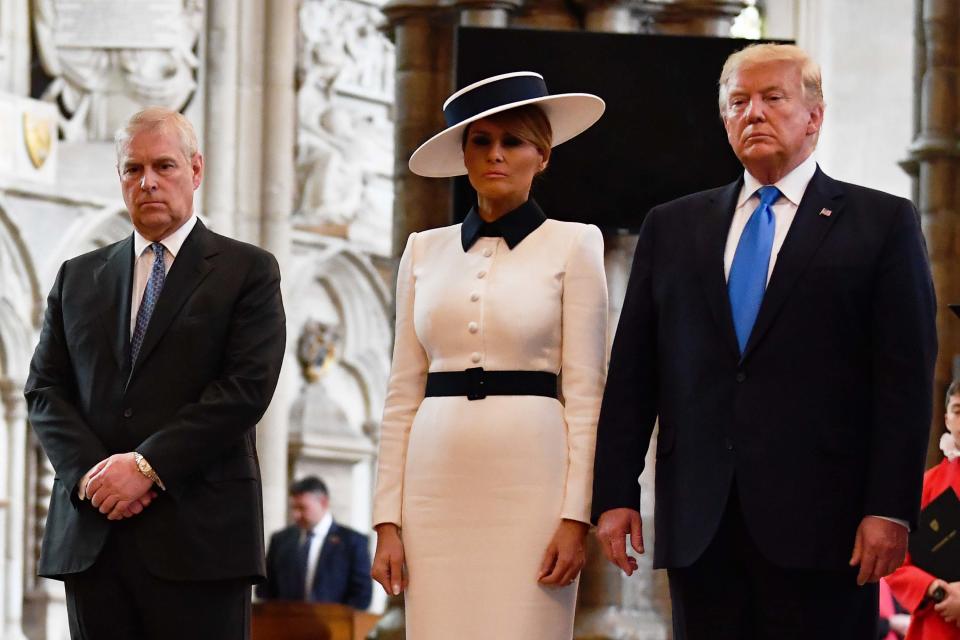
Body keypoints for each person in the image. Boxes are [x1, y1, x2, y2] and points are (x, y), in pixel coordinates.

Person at [592, 43, 937, 639]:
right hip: (702, 525)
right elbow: (633, 373)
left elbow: (904, 380)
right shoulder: (672, 227)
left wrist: (889, 508)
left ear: (814, 116)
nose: (753, 113)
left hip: (827, 528)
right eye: (738, 103)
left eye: (773, 98)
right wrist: (615, 492)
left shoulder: (881, 224)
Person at [24, 107, 286, 639]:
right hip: (96, 539)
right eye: (132, 169)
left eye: (164, 166)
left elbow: (244, 390)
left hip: (202, 538)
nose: (147, 182)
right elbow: (44, 390)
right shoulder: (78, 276)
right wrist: (95, 478)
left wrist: (145, 466)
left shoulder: (247, 271)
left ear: (196, 170)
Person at [370, 71, 608, 639]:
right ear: (464, 154)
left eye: (513, 141)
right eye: (481, 141)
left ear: (542, 156)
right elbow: (402, 393)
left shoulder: (576, 243)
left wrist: (576, 517)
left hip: (533, 483)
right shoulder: (422, 250)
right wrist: (386, 521)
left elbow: (586, 395)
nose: (496, 154)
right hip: (433, 486)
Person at [886, 381, 960, 639]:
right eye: (958, 410)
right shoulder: (926, 484)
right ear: (946, 419)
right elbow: (895, 559)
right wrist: (936, 589)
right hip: (938, 623)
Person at [258, 476, 372, 608]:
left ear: (323, 503)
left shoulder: (353, 542)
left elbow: (362, 595)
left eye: (302, 508)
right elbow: (265, 590)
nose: (296, 515)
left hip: (335, 625)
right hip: (286, 624)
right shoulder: (280, 540)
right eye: (293, 508)